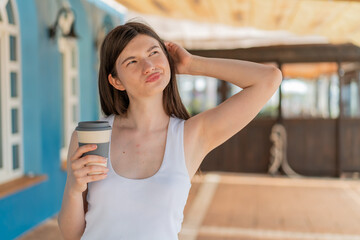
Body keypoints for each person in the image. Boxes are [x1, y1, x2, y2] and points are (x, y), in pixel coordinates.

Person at [58, 21, 282, 239]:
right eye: (132, 62)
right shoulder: (90, 138)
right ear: (116, 81)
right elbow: (72, 234)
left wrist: (192, 64)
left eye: (154, 53)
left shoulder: (191, 136)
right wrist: (73, 189)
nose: (149, 66)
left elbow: (269, 79)